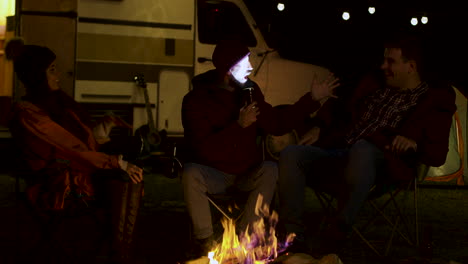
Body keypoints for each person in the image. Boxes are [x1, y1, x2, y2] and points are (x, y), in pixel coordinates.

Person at [278, 32, 457, 254]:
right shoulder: (374, 86)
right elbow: (339, 109)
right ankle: (292, 238)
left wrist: (413, 143)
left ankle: (337, 231)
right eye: (383, 60)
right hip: (340, 155)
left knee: (363, 148)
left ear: (411, 66)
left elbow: (437, 153)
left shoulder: (432, 101)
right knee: (291, 153)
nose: (383, 66)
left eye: (390, 61)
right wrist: (320, 126)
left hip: (383, 167)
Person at [181, 38, 340, 257]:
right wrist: (239, 126)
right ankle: (206, 242)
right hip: (214, 173)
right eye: (245, 62)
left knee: (270, 169)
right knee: (190, 173)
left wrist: (312, 99)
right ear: (228, 70)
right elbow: (203, 149)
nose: (251, 67)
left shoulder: (249, 91)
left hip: (246, 173)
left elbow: (276, 123)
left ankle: (245, 241)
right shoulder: (197, 100)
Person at [5, 38, 144, 264]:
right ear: (36, 74)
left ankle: (121, 251)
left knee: (130, 176)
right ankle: (120, 254)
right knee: (123, 178)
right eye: (51, 70)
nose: (58, 75)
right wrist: (117, 162)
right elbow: (70, 148)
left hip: (77, 172)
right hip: (57, 186)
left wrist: (103, 128)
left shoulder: (57, 105)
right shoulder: (29, 113)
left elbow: (80, 143)